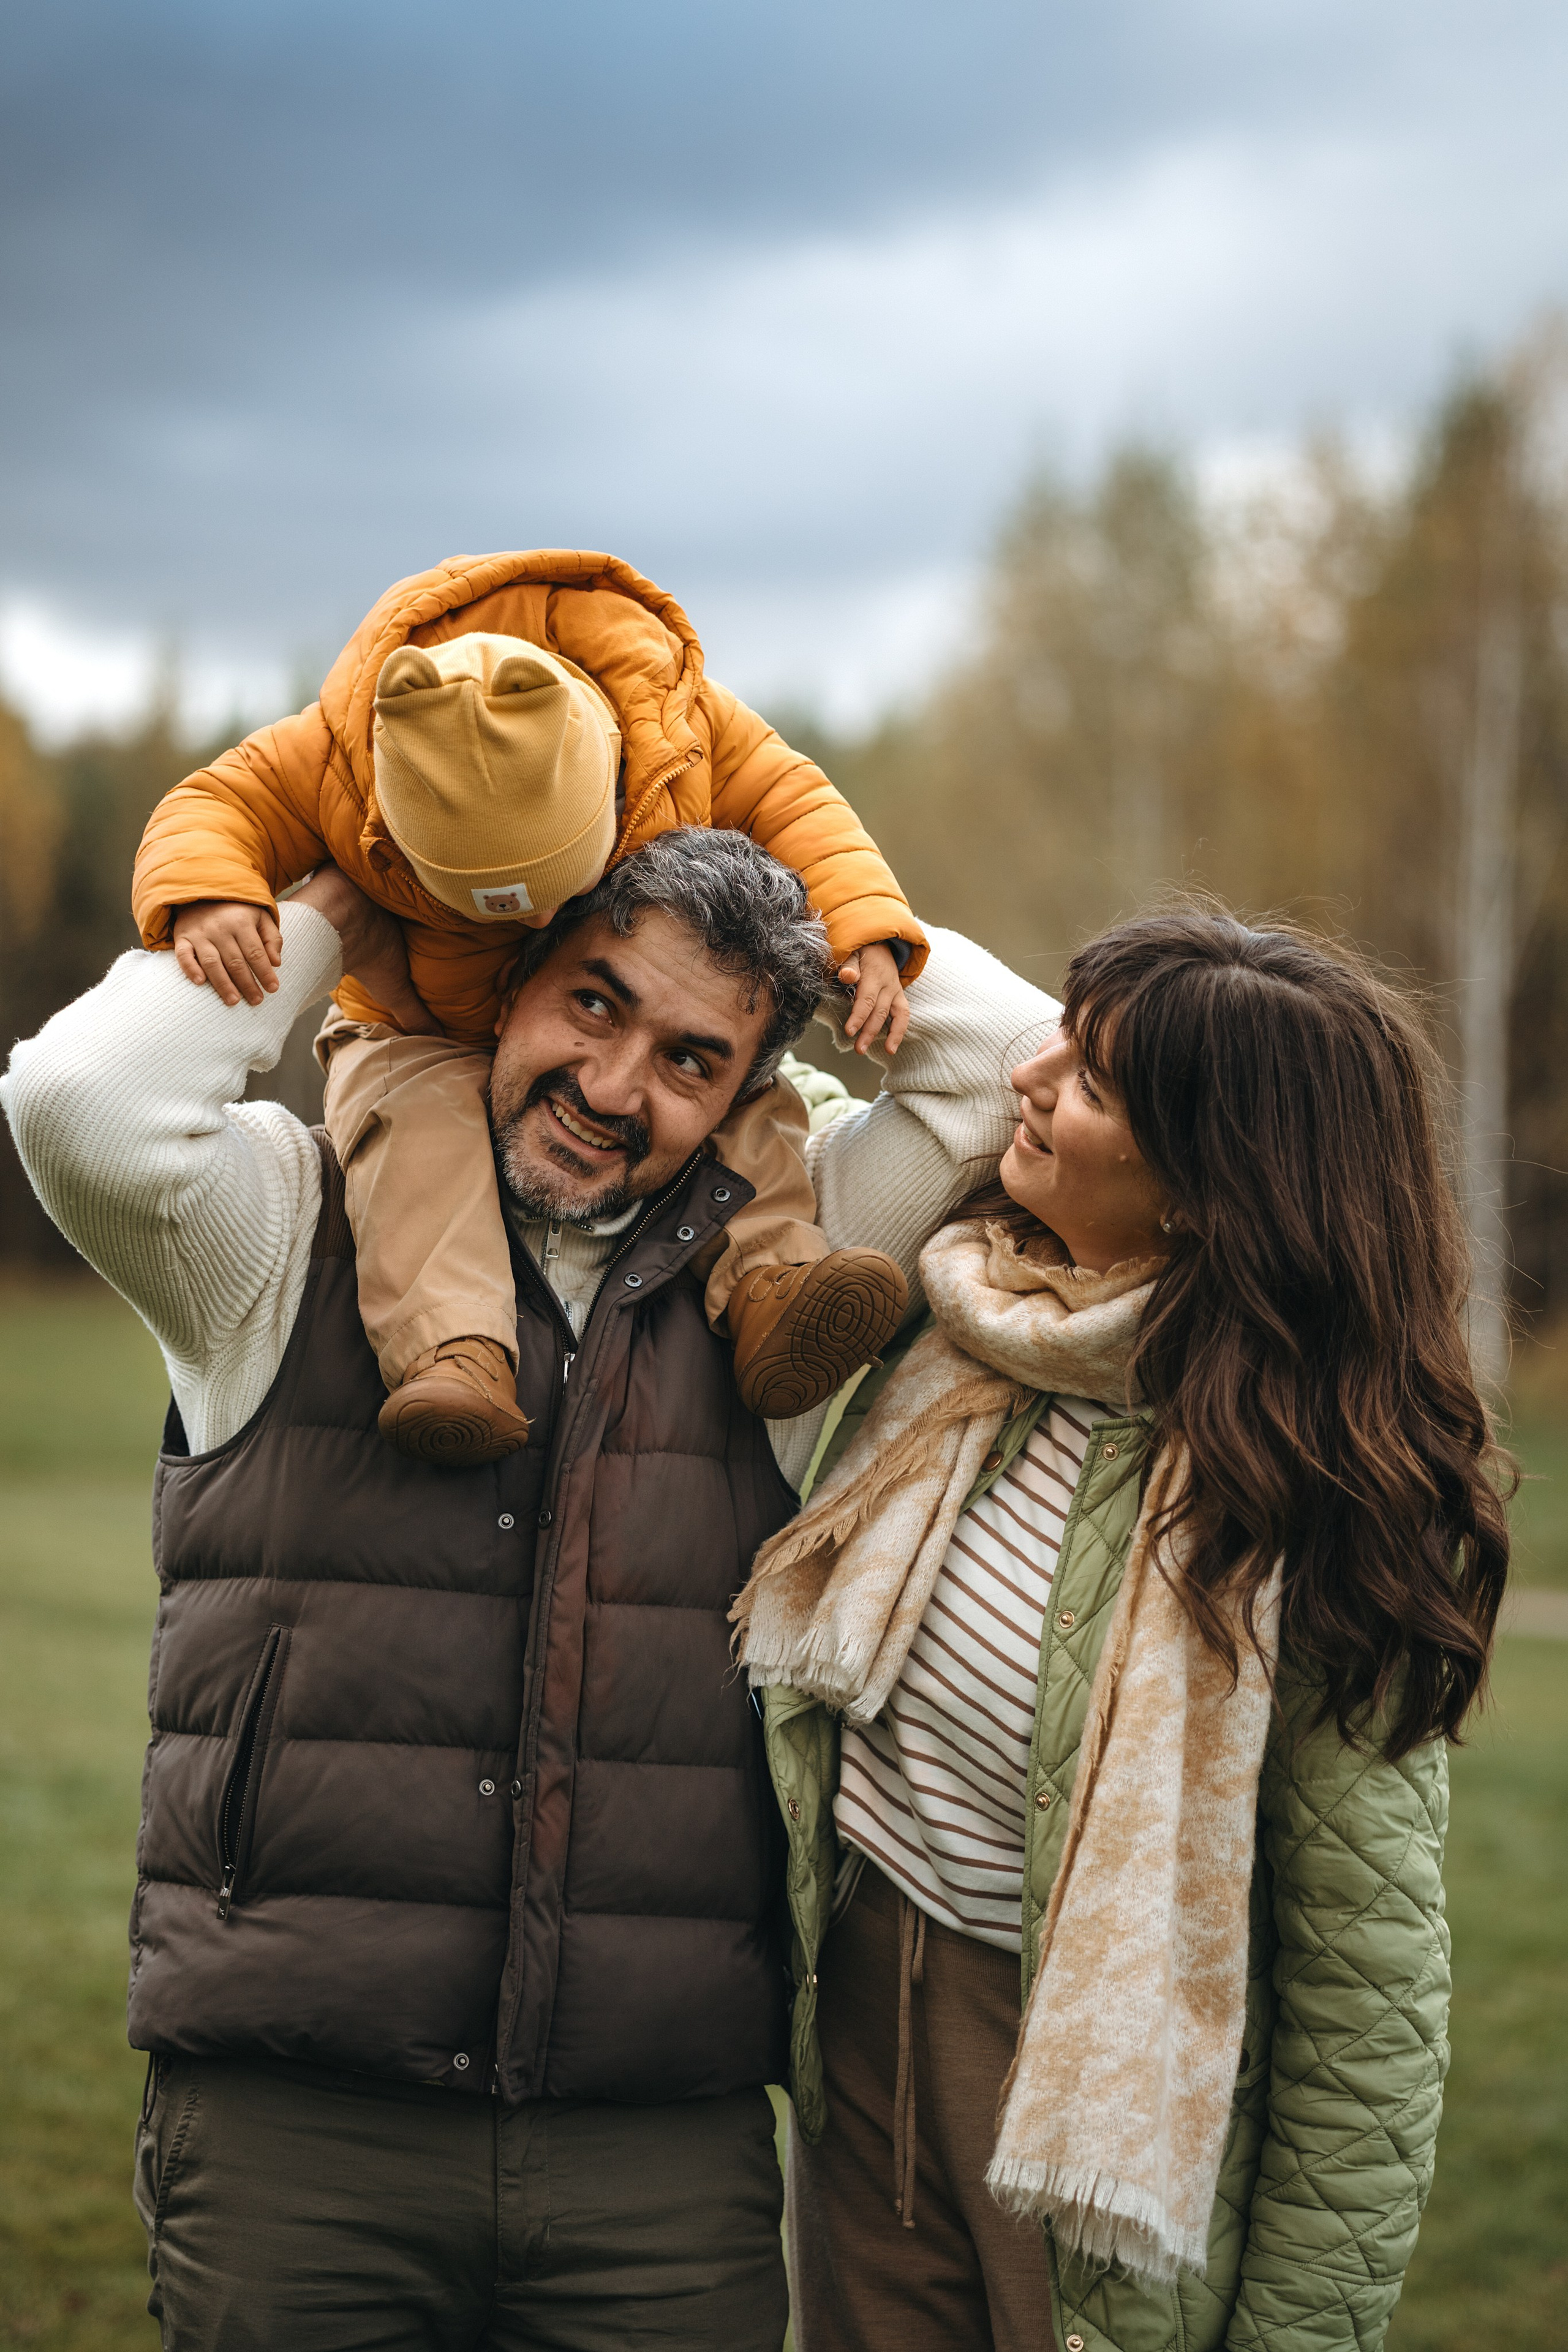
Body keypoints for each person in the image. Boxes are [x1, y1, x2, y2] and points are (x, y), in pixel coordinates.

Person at [2, 825, 1050, 2351]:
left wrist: (831, 895)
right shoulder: (281, 1225)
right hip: (303, 2134)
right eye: (594, 1003)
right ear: (505, 978)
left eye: (694, 1060)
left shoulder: (788, 1282)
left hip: (655, 2159)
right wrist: (362, 889)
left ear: (747, 1091)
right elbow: (78, 1100)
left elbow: (1015, 1065)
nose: (617, 1089)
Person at [735, 908, 1510, 2352]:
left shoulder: (1316, 1499)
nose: (1028, 1076)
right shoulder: (955, 1299)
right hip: (859, 2036)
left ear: (1211, 1195)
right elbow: (952, 1044)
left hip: (1091, 2111)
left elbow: (1367, 2006)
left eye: (1089, 1084)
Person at [130, 549, 927, 1460]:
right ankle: (453, 1351)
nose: (540, 921)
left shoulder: (672, 727)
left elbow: (798, 804)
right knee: (418, 1148)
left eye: (560, 885)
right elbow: (215, 805)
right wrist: (222, 896)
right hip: (410, 1017)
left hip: (605, 1008)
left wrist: (863, 928)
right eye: (492, 903)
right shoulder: (333, 755)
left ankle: (775, 1286)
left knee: (749, 1108)